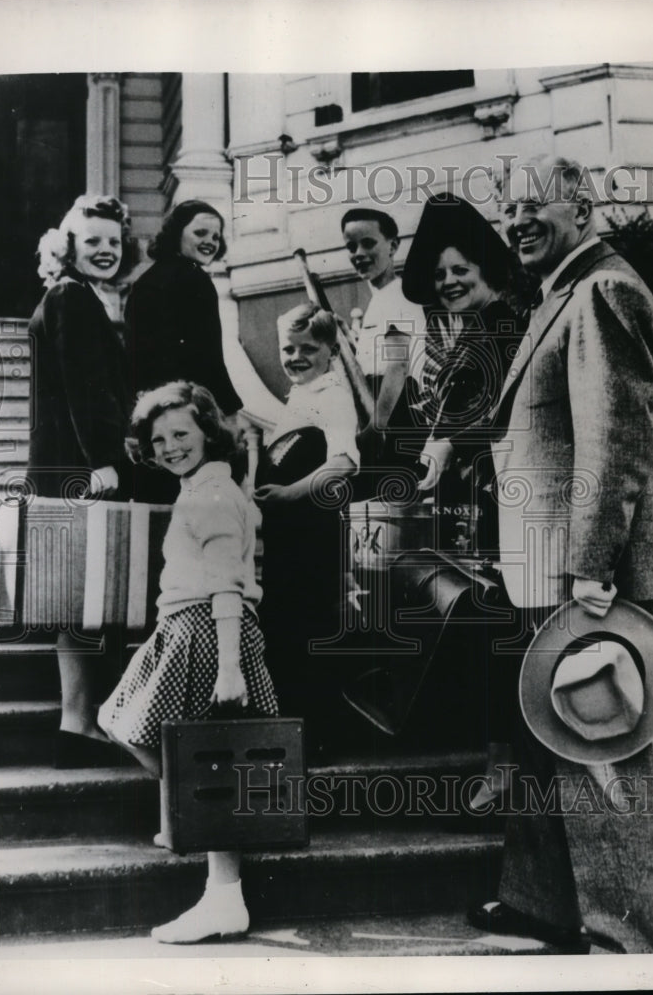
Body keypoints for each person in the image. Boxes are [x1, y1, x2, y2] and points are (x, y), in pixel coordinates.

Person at [468, 155, 653, 952]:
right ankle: (542, 906)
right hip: (552, 565)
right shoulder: (563, 293)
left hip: (587, 573)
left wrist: (592, 566)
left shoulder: (601, 290)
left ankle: (635, 943)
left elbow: (616, 439)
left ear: (581, 209)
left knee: (603, 743)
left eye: (533, 206)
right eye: (508, 211)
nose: (516, 221)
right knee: (550, 736)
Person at [98, 381, 278, 944]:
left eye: (182, 433)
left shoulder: (212, 494)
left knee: (213, 760)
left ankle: (224, 897)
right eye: (159, 439)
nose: (171, 446)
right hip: (185, 627)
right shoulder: (202, 488)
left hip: (208, 629)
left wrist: (230, 667)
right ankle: (185, 814)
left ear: (208, 432)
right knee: (124, 720)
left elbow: (227, 584)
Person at [401, 192, 523, 801]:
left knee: (506, 631)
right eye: (440, 273)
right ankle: (499, 763)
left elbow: (504, 413)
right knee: (493, 626)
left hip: (515, 504)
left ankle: (504, 771)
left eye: (460, 270)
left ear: (486, 269)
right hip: (482, 505)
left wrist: (448, 441)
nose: (449, 282)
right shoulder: (468, 328)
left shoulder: (506, 322)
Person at [27, 194, 138, 768]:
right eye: (93, 240)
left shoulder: (74, 295)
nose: (105, 250)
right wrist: (104, 459)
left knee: (75, 596)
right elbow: (82, 385)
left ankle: (79, 722)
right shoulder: (71, 295)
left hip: (62, 466)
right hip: (78, 467)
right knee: (81, 594)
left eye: (114, 242)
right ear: (70, 245)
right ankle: (78, 719)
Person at [254, 303, 359, 750]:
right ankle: (297, 736)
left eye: (308, 349)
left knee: (307, 631)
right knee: (287, 629)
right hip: (289, 539)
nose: (295, 358)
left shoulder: (332, 396)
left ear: (331, 350)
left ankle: (318, 739)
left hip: (312, 538)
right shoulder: (301, 395)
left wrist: (286, 495)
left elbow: (343, 463)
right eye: (288, 349)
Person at [124, 200, 243, 503]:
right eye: (201, 232)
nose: (210, 242)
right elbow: (209, 357)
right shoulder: (196, 279)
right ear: (177, 234)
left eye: (216, 237)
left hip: (151, 415)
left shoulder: (143, 283)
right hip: (186, 414)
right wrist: (230, 411)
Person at [341, 207, 426, 493]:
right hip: (382, 411)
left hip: (395, 415)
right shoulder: (379, 299)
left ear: (393, 245)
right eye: (351, 246)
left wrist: (375, 428)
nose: (358, 253)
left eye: (368, 243)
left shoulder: (399, 295)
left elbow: (397, 367)